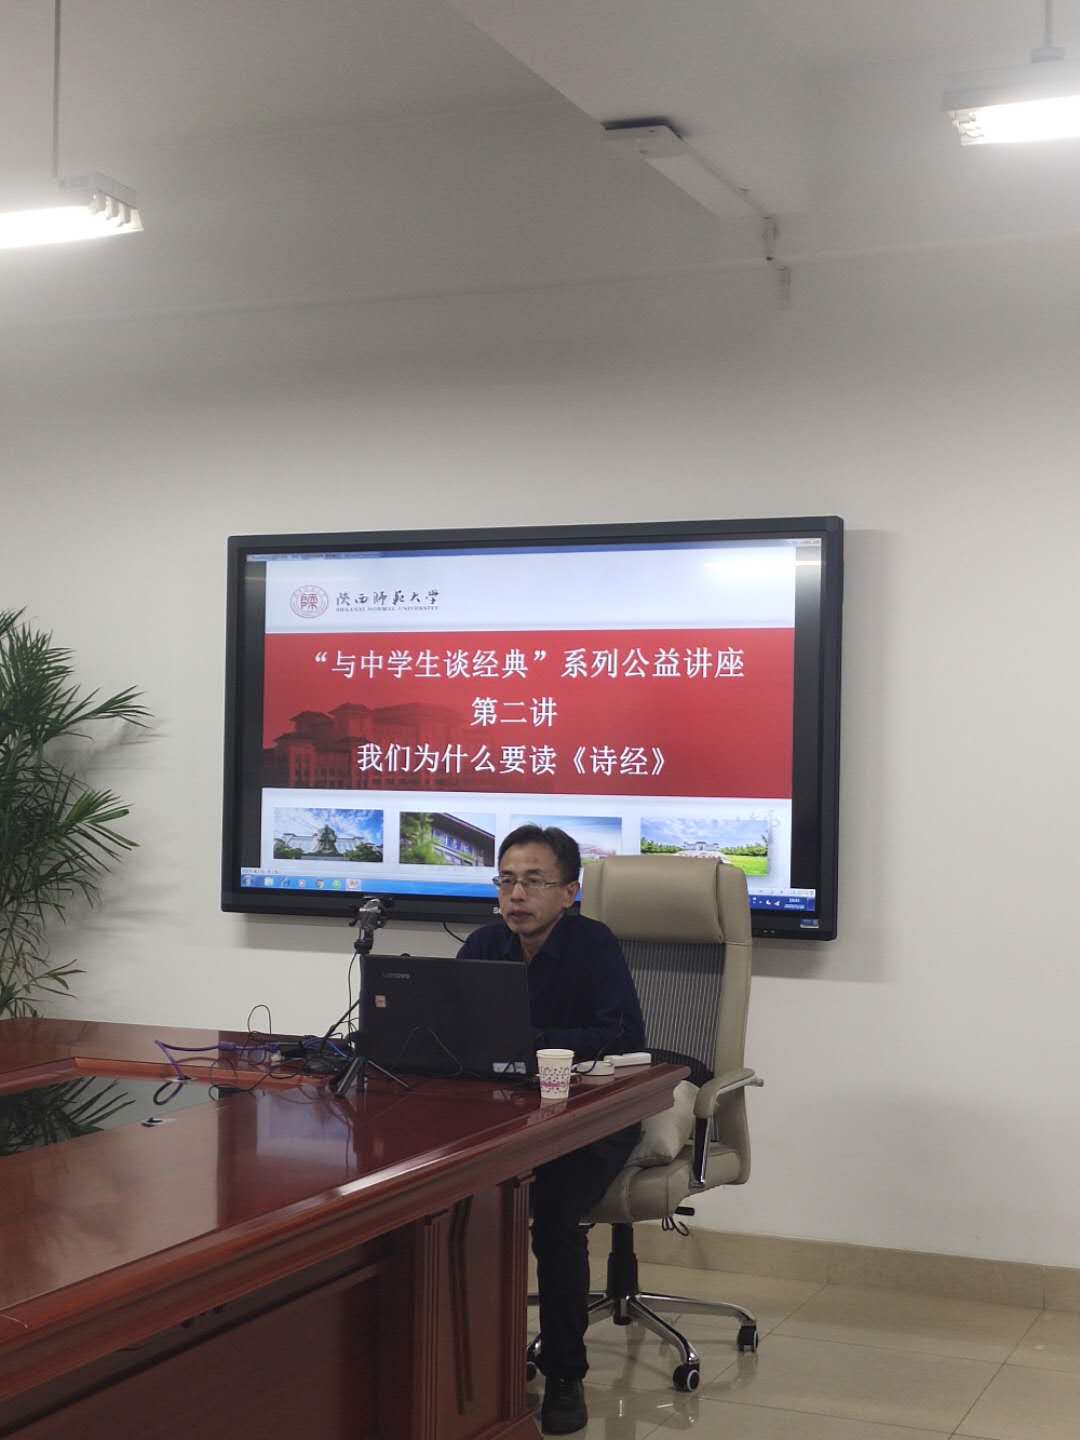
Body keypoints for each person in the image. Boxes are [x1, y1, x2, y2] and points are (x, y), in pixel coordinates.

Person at [457, 825, 645, 1436]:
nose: (517, 895)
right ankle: (480, 1360)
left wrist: (525, 1042)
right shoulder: (484, 944)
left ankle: (565, 1373)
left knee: (555, 1211)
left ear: (569, 892)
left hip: (595, 1114)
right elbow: (451, 1027)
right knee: (456, 1202)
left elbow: (620, 1036)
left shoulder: (594, 945)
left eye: (534, 882)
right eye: (507, 881)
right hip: (507, 1112)